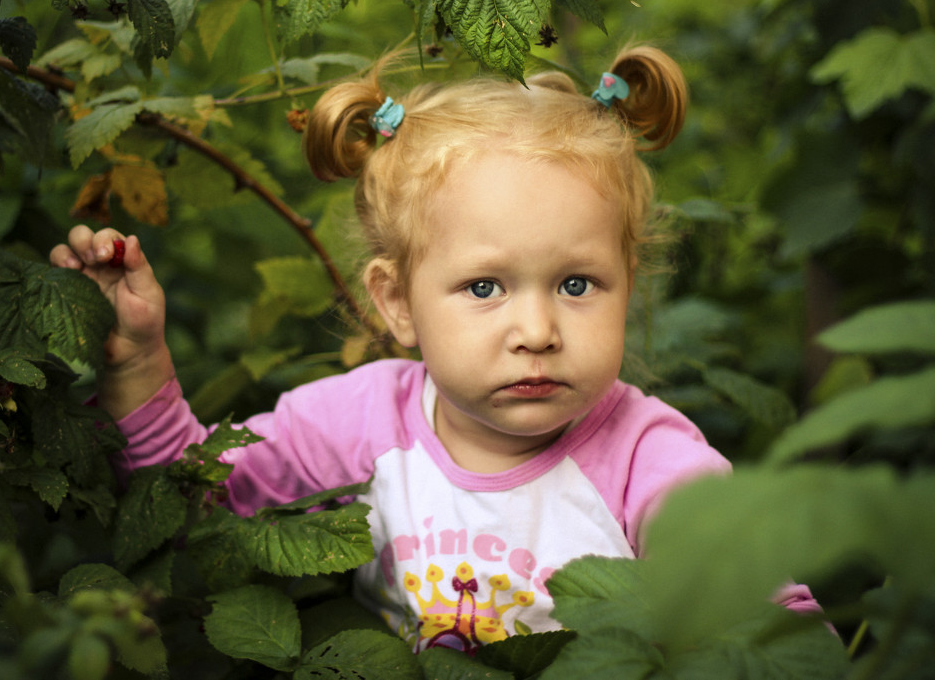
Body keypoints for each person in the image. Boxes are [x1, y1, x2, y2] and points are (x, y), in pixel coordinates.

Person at [50, 46, 817, 654]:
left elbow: (774, 629)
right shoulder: (360, 424)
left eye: (578, 284)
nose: (538, 329)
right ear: (395, 301)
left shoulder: (646, 458)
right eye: (485, 287)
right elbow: (196, 509)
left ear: (628, 283)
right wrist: (137, 362)